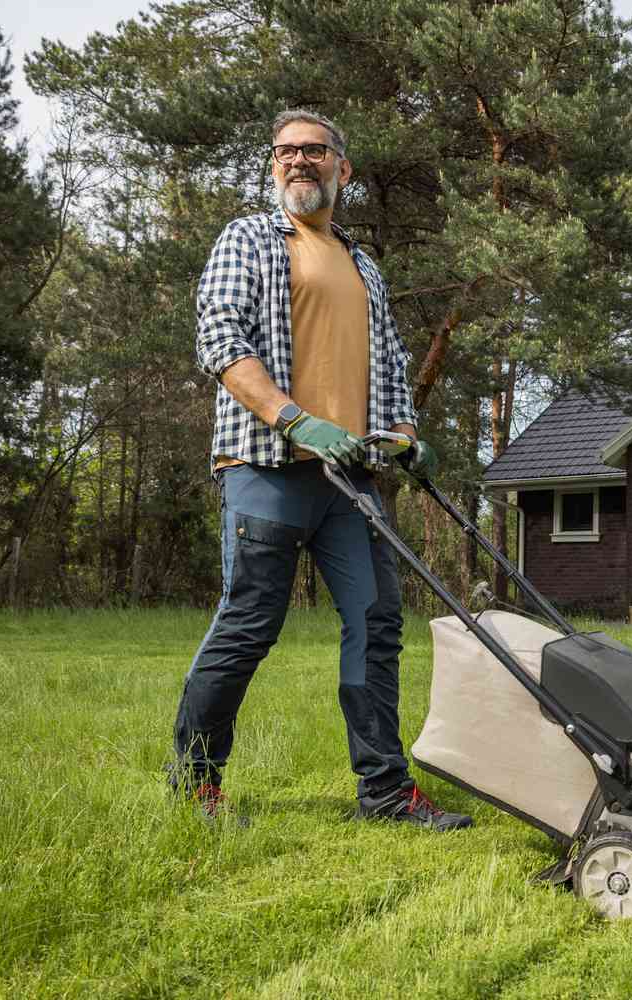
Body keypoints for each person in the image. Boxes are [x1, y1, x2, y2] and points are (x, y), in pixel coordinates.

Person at [171, 108, 472, 832]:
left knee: (375, 626)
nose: (298, 161)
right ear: (274, 165)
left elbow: (391, 367)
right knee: (249, 625)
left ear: (344, 168)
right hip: (268, 468)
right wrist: (292, 416)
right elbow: (220, 338)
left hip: (352, 483)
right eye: (285, 152)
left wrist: (405, 437)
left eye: (314, 151)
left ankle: (386, 794)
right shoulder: (249, 239)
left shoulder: (362, 263)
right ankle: (197, 788)